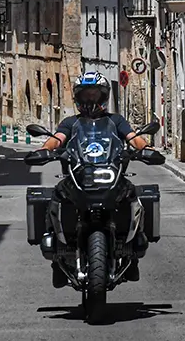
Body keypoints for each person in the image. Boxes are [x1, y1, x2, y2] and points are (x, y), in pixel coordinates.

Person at [37, 71, 151, 287]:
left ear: (104, 96)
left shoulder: (116, 121)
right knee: (57, 195)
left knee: (132, 195)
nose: (90, 100)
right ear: (78, 98)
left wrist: (146, 149)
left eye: (95, 95)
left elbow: (133, 138)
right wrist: (44, 150)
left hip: (111, 173)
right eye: (86, 95)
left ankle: (133, 253)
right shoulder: (71, 122)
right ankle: (57, 253)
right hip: (78, 175)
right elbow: (58, 139)